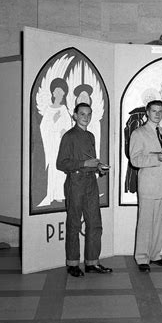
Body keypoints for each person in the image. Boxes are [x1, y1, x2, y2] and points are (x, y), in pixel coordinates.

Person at [56, 102, 112, 277]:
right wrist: (84, 164)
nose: (85, 117)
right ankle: (73, 264)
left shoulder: (91, 136)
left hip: (90, 182)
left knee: (95, 223)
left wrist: (98, 167)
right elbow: (61, 163)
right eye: (82, 114)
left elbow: (90, 161)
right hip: (76, 182)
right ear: (74, 115)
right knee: (74, 223)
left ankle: (92, 262)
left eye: (88, 114)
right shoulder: (69, 136)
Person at [129, 100, 162, 272]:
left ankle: (155, 255)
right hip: (148, 185)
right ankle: (142, 257)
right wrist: (157, 158)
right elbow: (135, 159)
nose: (157, 114)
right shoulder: (138, 133)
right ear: (147, 113)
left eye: (160, 111)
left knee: (158, 222)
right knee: (145, 223)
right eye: (154, 111)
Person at [37, 78, 73, 207]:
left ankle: (61, 194)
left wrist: (64, 131)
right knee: (54, 167)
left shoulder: (64, 109)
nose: (60, 94)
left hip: (62, 143)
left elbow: (68, 126)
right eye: (57, 91)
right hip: (52, 144)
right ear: (53, 93)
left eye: (62, 92)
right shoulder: (49, 110)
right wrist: (54, 121)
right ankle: (53, 193)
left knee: (62, 168)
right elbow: (43, 128)